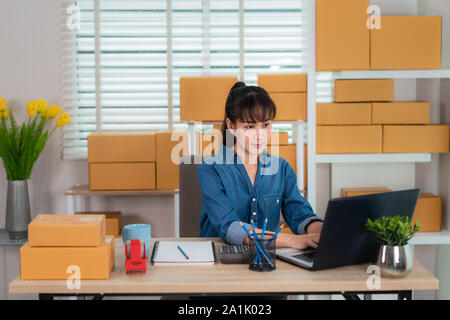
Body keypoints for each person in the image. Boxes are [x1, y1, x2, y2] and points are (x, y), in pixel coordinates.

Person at [198, 81, 323, 250]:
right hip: (217, 262)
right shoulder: (210, 169)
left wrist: (322, 232)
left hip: (265, 261)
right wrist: (292, 240)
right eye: (250, 126)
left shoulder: (282, 168)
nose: (260, 135)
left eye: (265, 125)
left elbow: (300, 214)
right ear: (231, 126)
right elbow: (231, 228)